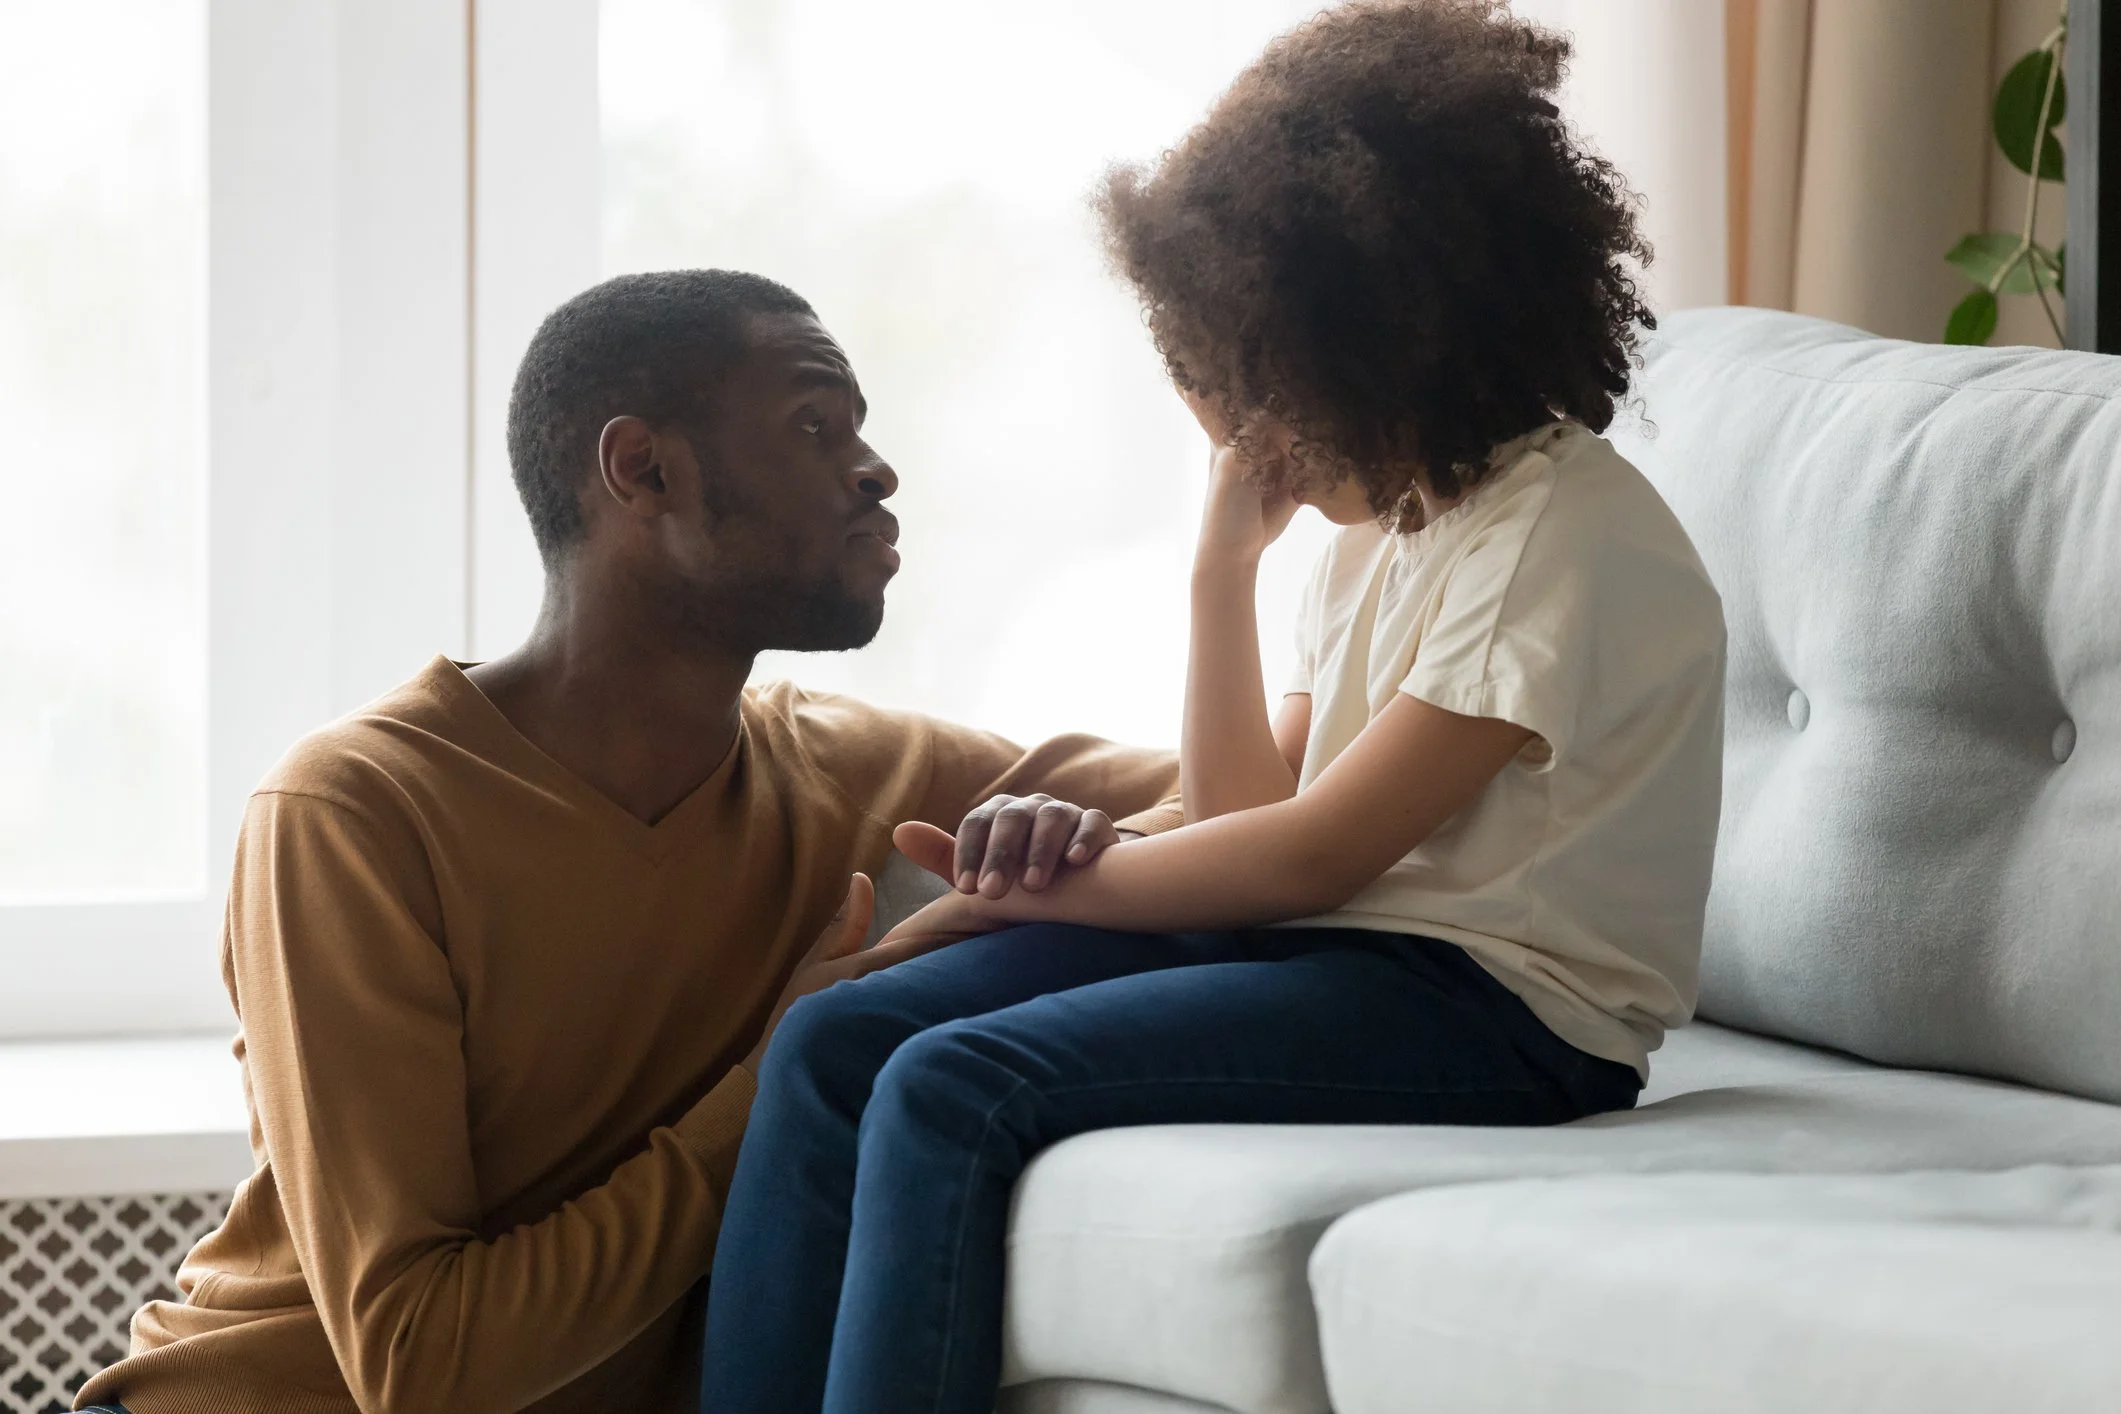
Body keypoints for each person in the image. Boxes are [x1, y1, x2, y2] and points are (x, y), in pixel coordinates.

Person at [697, 3, 1729, 1412]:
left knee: (956, 1087)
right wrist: (1220, 571)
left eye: (1267, 407)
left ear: (1382, 350)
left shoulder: (1557, 538)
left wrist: (1060, 890)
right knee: (832, 1047)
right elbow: (1249, 815)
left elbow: (1311, 856)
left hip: (1501, 1013)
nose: (1252, 449)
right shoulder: (1390, 529)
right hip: (1339, 956)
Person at [73, 270, 1179, 1414]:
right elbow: (423, 1367)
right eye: (817, 424)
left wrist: (1083, 839)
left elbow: (1262, 801)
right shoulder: (355, 813)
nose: (877, 469)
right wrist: (781, 1071)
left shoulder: (863, 773)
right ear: (642, 469)